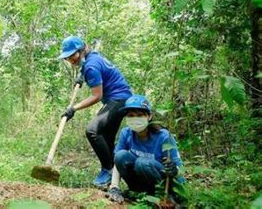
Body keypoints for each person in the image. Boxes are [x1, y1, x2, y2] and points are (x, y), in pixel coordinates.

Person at [58, 36, 132, 187]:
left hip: (118, 100)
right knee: (106, 136)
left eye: (73, 55)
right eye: (67, 57)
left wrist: (73, 109)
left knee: (92, 131)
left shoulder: (91, 66)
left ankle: (108, 169)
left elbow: (96, 96)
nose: (70, 59)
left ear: (81, 50)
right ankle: (113, 176)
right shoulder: (92, 57)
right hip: (122, 98)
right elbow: (89, 65)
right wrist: (80, 77)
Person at [107, 95, 184, 203]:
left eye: (140, 115)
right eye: (131, 115)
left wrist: (175, 170)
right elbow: (117, 160)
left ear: (149, 116)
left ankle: (163, 196)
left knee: (142, 163)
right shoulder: (126, 133)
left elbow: (180, 168)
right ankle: (138, 193)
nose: (135, 119)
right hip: (140, 182)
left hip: (162, 183)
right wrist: (114, 187)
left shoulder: (163, 136)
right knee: (120, 155)